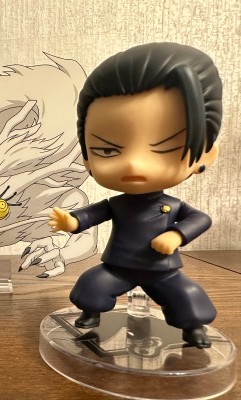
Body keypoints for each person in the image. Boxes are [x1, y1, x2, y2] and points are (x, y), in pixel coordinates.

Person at [49, 42, 222, 348]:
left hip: (163, 271)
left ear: (205, 156)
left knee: (187, 296)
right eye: (107, 150)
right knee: (91, 284)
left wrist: (177, 235)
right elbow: (94, 213)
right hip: (117, 267)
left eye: (166, 148)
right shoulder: (117, 204)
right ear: (87, 157)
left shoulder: (172, 205)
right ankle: (90, 313)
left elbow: (200, 219)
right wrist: (72, 222)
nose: (133, 164)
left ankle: (193, 329)